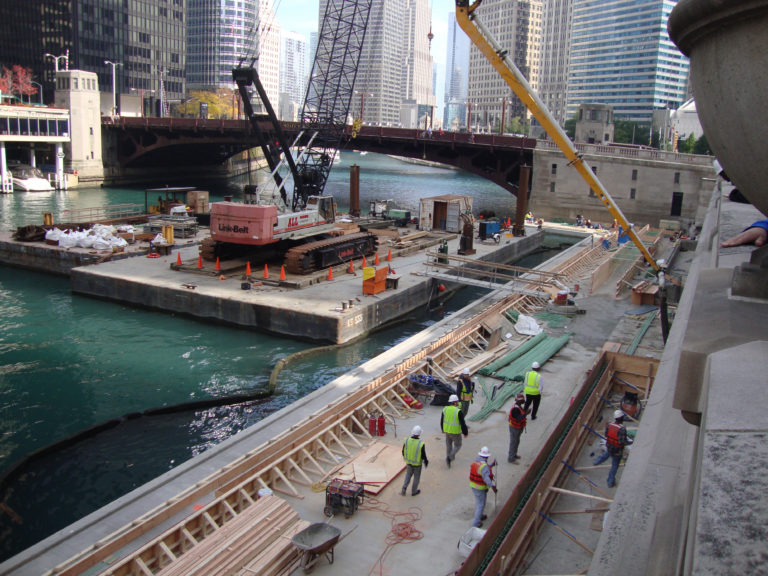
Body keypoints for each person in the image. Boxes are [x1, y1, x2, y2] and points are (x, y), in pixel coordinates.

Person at [593, 410, 633, 488]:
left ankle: (596, 462)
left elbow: (606, 435)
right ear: (621, 418)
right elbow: (622, 442)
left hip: (609, 447)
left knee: (605, 455)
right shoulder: (622, 429)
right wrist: (630, 442)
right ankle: (610, 482)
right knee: (614, 466)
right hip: (617, 451)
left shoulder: (609, 425)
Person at [469, 446, 497, 528]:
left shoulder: (476, 462)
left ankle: (480, 515)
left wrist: (491, 465)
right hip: (480, 487)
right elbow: (486, 478)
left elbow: (483, 470)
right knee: (480, 504)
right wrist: (493, 487)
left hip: (473, 485)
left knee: (479, 503)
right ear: (487, 456)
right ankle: (476, 523)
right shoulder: (484, 465)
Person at [441, 394, 468, 468]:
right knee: (458, 445)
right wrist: (465, 432)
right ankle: (449, 457)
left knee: (449, 444)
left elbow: (442, 420)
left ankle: (449, 456)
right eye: (457, 401)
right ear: (455, 402)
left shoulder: (445, 409)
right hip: (455, 432)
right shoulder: (458, 411)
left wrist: (442, 429)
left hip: (447, 430)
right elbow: (463, 423)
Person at [401, 425, 428, 496]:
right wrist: (426, 462)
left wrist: (406, 458)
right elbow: (423, 455)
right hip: (417, 465)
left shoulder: (407, 441)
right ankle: (414, 491)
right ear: (419, 434)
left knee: (408, 475)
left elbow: (403, 451)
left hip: (409, 463)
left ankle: (404, 488)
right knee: (416, 478)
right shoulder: (421, 444)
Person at [507, 393, 529, 463]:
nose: (524, 401)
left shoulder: (518, 407)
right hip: (515, 428)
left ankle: (514, 454)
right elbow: (518, 418)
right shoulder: (515, 409)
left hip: (518, 427)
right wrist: (526, 414)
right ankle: (511, 458)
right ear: (519, 401)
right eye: (523, 400)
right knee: (513, 442)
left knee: (517, 441)